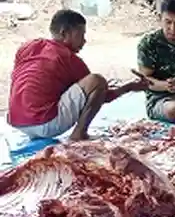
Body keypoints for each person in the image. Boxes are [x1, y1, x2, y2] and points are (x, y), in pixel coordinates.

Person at [6, 9, 144, 141]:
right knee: (97, 81)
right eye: (81, 35)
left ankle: (36, 132)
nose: (84, 41)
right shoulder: (67, 57)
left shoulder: (29, 46)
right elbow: (103, 96)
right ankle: (79, 133)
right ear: (64, 33)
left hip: (17, 121)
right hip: (46, 123)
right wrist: (130, 87)